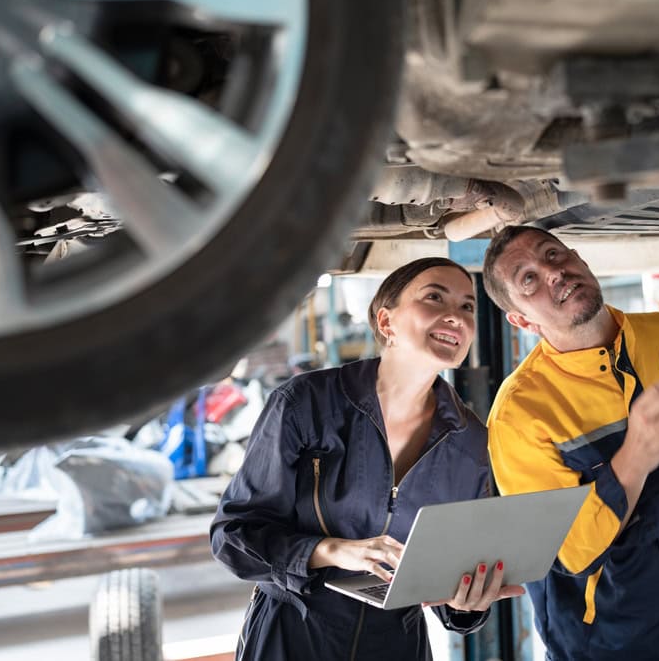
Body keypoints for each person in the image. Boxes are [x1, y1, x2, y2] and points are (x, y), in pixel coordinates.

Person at [211, 257, 524, 661]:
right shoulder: (306, 403)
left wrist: (469, 604)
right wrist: (330, 550)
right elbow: (233, 537)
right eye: (435, 297)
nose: (456, 317)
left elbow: (452, 577)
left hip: (397, 644)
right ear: (386, 322)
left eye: (467, 306)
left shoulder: (469, 441)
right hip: (293, 636)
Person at [481, 225, 659, 661]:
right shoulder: (520, 412)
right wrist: (633, 458)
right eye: (528, 279)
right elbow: (569, 552)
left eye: (554, 255)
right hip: (612, 647)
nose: (553, 273)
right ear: (520, 319)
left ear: (580, 258)